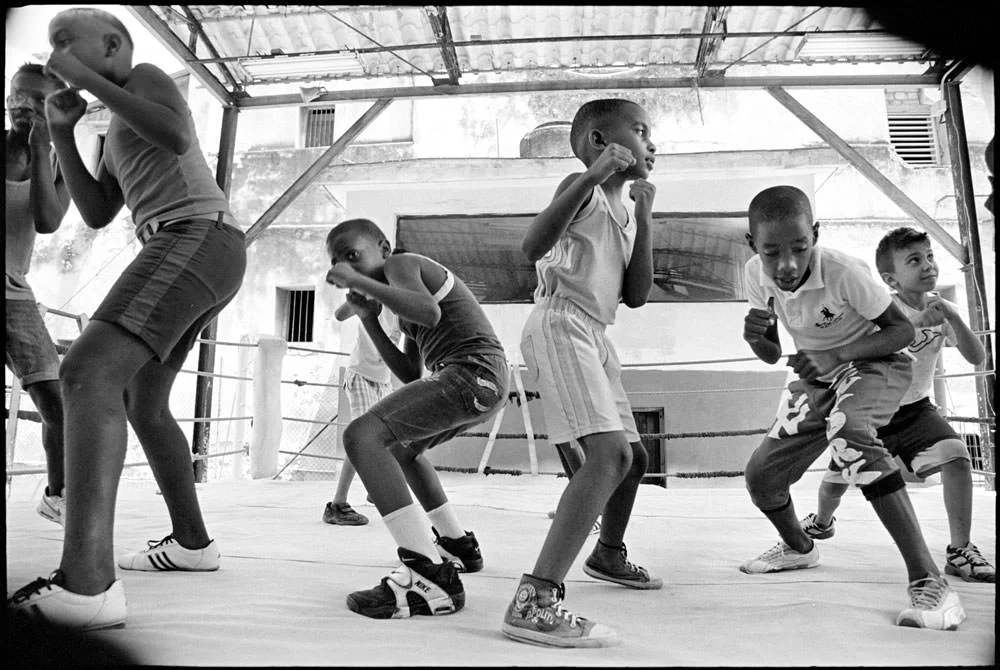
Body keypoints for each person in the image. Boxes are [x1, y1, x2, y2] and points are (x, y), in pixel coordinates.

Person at [7, 8, 247, 630]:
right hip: (193, 246)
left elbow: (173, 136)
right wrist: (63, 130)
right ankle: (193, 544)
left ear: (112, 45)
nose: (54, 52)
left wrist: (93, 88)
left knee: (85, 372)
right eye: (52, 43)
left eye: (66, 42)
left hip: (194, 234)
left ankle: (87, 585)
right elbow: (92, 211)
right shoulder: (112, 123)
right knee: (144, 399)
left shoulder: (144, 79)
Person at [740, 185, 965, 630]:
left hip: (874, 364)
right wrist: (756, 338)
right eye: (771, 253)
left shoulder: (845, 272)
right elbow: (769, 353)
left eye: (800, 249)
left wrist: (838, 355)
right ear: (753, 246)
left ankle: (931, 581)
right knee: (761, 477)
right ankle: (800, 548)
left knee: (849, 434)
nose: (786, 264)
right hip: (818, 377)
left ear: (816, 236)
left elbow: (900, 333)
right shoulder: (753, 273)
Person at [502, 98, 660, 649]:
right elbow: (532, 245)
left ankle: (607, 553)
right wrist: (592, 175)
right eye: (641, 132)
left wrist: (644, 217)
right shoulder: (585, 186)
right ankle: (535, 598)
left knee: (633, 458)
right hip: (561, 324)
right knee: (608, 456)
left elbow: (636, 296)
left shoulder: (623, 209)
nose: (652, 143)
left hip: (596, 332)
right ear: (600, 142)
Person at [325, 217, 508, 619]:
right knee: (401, 450)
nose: (346, 267)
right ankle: (456, 543)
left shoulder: (402, 266)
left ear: (385, 248)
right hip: (480, 380)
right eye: (338, 261)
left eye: (353, 256)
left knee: (361, 436)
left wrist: (367, 287)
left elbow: (428, 313)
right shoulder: (400, 295)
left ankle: (426, 574)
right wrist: (370, 317)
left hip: (471, 371)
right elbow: (411, 372)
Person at [800, 227, 993, 583]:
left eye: (930, 256)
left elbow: (978, 357)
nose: (927, 266)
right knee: (833, 485)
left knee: (957, 456)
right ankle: (822, 523)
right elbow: (880, 345)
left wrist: (952, 316)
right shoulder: (882, 308)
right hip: (873, 411)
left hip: (917, 410)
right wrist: (919, 320)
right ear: (890, 277)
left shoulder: (940, 307)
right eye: (914, 260)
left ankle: (960, 548)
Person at [5, 62, 71, 525]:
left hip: (14, 295)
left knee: (58, 401)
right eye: (16, 95)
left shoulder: (61, 165)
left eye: (35, 100)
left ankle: (59, 495)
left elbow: (47, 221)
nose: (21, 106)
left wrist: (42, 149)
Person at [322, 300, 402, 526]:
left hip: (384, 380)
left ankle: (375, 488)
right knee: (362, 438)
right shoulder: (369, 293)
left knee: (391, 436)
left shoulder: (402, 303)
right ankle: (338, 505)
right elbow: (339, 315)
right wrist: (358, 297)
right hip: (360, 375)